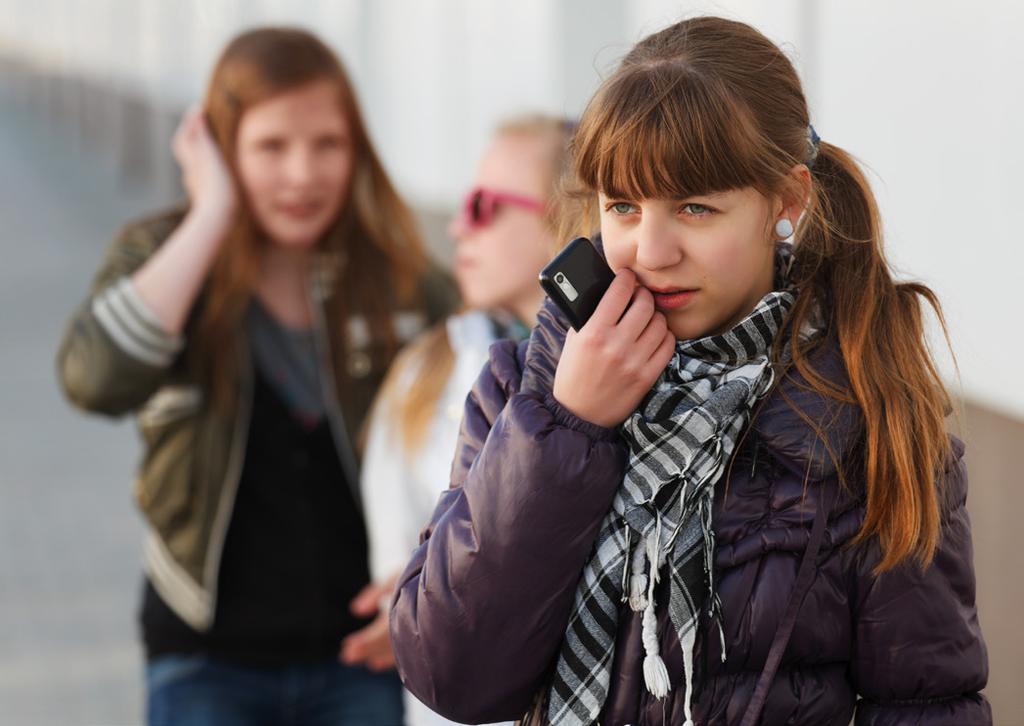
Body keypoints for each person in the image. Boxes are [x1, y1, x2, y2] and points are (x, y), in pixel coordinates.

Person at [388, 16, 990, 726]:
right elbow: (452, 676)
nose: (651, 248)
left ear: (786, 201)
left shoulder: (871, 413)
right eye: (622, 206)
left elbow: (927, 703)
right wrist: (568, 428)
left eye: (696, 208)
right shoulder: (523, 387)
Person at [56, 27, 457, 725]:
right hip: (205, 659)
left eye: (327, 144)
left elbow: (480, 451)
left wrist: (428, 582)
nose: (302, 174)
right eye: (271, 147)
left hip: (361, 661)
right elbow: (94, 378)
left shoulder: (395, 282)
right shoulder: (168, 258)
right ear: (221, 148)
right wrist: (212, 213)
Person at [350, 115, 572, 726]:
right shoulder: (423, 373)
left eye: (483, 206)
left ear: (567, 216)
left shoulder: (639, 367)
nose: (456, 226)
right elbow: (394, 558)